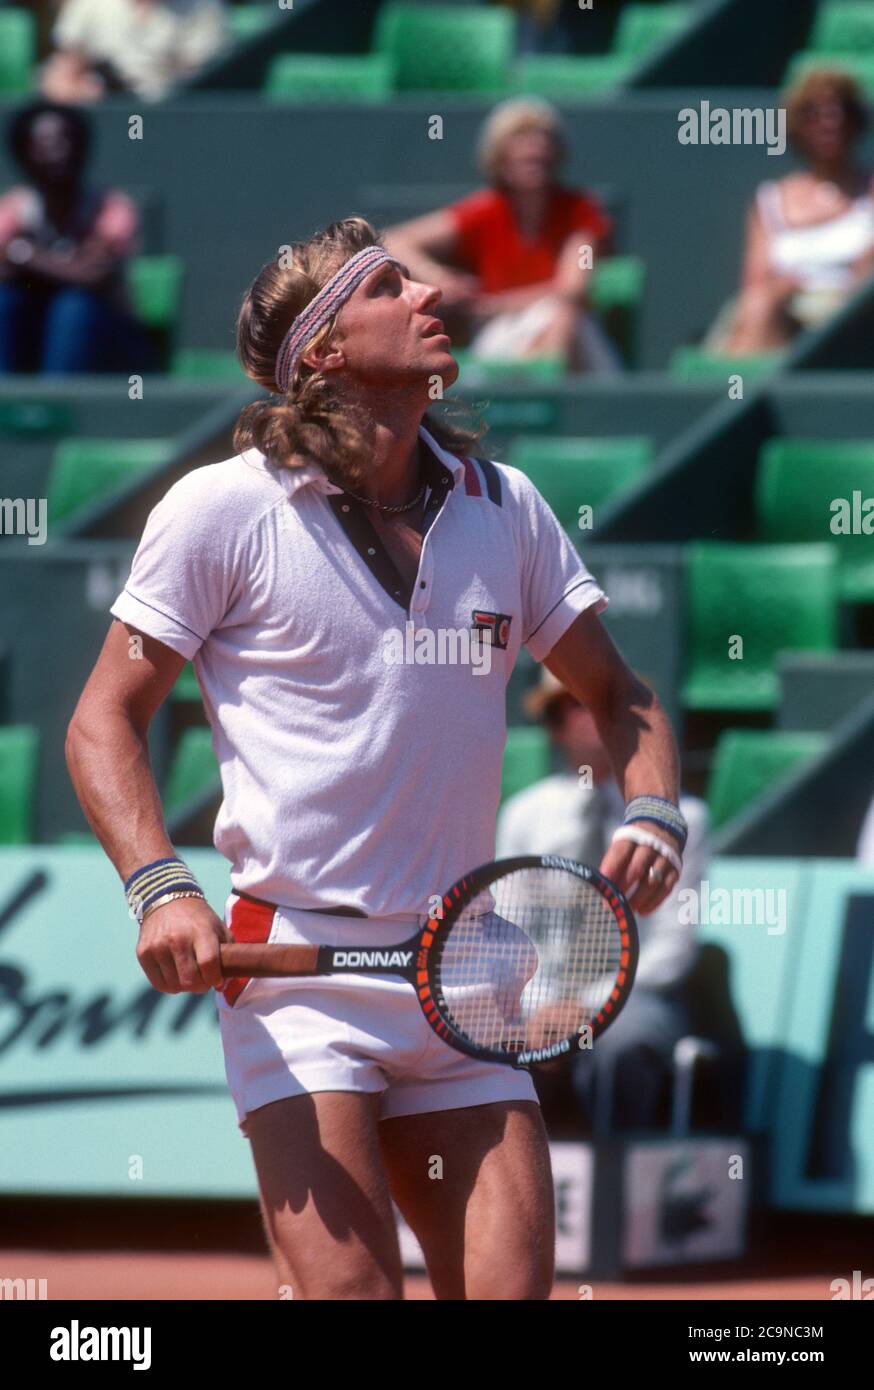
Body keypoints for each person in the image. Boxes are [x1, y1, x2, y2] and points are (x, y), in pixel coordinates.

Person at [65, 215, 686, 1301]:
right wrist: (160, 888)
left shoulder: (510, 507)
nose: (429, 294)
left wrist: (652, 811)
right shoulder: (219, 510)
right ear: (325, 351)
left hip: (469, 973)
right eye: (390, 286)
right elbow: (102, 718)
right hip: (296, 981)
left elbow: (620, 693)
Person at [496, 668, 709, 1132]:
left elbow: (673, 948)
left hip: (639, 996)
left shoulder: (682, 819)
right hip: (539, 998)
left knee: (622, 1046)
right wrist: (542, 1005)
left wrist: (590, 1006)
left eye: (599, 701)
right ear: (554, 724)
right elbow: (510, 932)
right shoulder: (524, 815)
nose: (591, 713)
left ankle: (616, 1189)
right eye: (574, 703)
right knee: (489, 1044)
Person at [384, 98, 622, 372]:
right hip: (500, 335)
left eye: (543, 140)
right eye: (520, 140)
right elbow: (394, 240)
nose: (535, 149)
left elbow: (572, 290)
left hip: (574, 337)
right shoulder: (484, 211)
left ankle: (542, 404)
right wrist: (439, 278)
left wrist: (493, 305)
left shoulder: (580, 210)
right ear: (499, 155)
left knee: (562, 317)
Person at [721, 68, 874, 353]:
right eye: (813, 112)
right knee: (758, 307)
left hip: (849, 324)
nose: (829, 122)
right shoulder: (770, 199)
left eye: (840, 110)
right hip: (780, 313)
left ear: (855, 121)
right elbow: (756, 280)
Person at [0, 100, 149, 374]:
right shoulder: (10, 211)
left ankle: (59, 405)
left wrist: (27, 255)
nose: (59, 152)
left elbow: (93, 275)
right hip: (29, 338)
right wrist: (65, 265)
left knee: (74, 307)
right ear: (23, 152)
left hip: (104, 342)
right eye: (44, 143)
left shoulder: (111, 208)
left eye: (67, 140)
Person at [41, 0, 227, 104]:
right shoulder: (89, 5)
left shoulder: (202, 7)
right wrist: (85, 92)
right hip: (106, 120)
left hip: (174, 123)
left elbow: (202, 85)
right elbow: (58, 79)